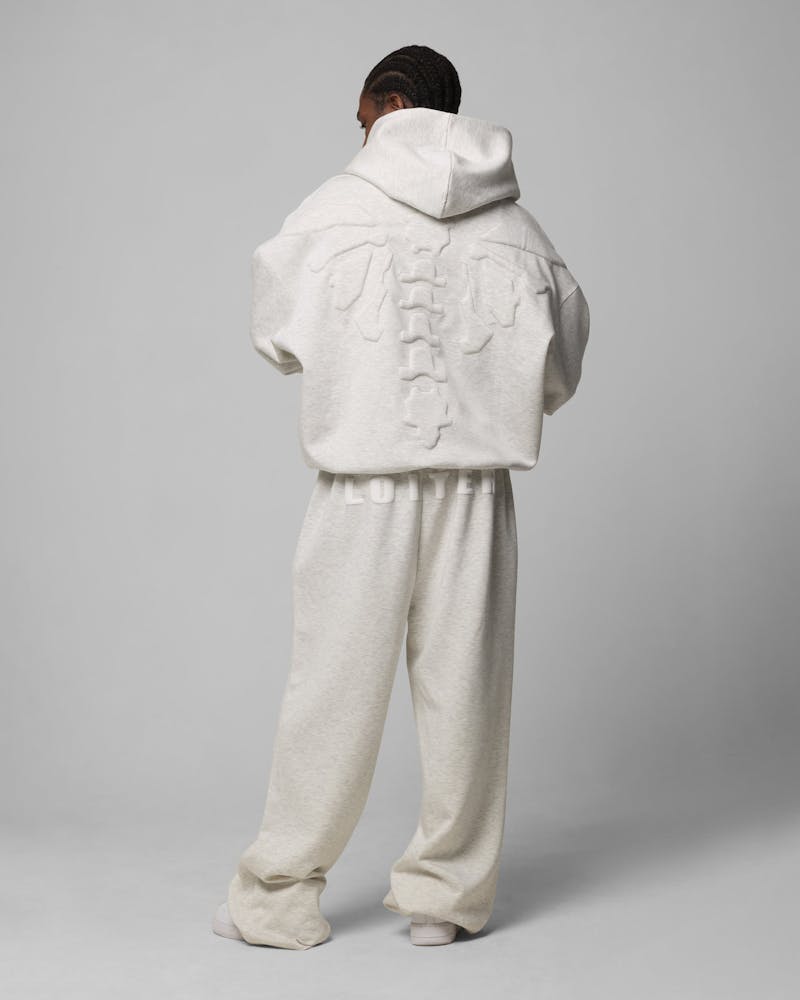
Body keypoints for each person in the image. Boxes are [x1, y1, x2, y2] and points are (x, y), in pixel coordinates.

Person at [212, 43, 590, 950]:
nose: (359, 138)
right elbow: (561, 364)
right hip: (475, 492)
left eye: (361, 119)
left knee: (330, 694)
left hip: (362, 488)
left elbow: (277, 333)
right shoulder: (521, 229)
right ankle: (446, 900)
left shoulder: (330, 209)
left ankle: (278, 900)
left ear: (387, 104)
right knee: (467, 694)